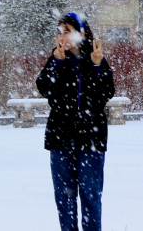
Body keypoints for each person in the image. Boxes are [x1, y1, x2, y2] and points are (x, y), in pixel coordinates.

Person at [35, 13, 115, 231]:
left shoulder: (95, 56)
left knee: (90, 196)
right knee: (64, 198)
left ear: (81, 33)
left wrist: (98, 67)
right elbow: (44, 87)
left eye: (67, 31)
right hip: (60, 138)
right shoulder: (57, 58)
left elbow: (106, 92)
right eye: (59, 32)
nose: (62, 36)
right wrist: (56, 63)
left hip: (90, 139)